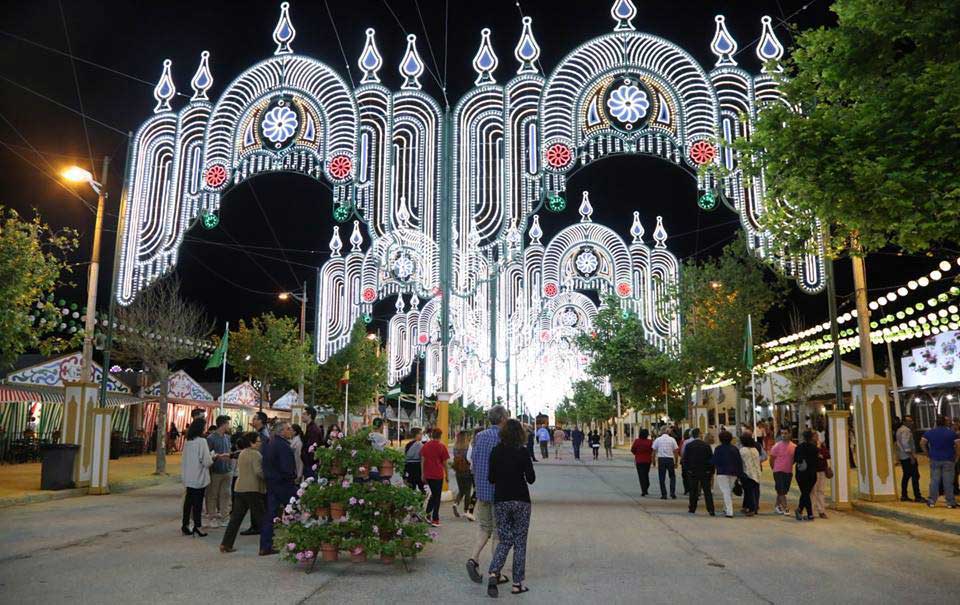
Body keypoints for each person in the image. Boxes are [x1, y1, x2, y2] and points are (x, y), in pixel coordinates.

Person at [486, 419, 536, 597]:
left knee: (505, 539)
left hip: (501, 500)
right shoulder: (522, 452)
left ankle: (493, 573)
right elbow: (531, 478)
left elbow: (491, 478)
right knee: (520, 542)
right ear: (520, 434)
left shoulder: (495, 451)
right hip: (521, 500)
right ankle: (517, 584)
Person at [465, 405, 510, 588]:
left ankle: (473, 559)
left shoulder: (479, 437)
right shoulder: (504, 438)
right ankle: (495, 572)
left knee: (484, 528)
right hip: (500, 492)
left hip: (482, 491)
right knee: (498, 533)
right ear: (502, 419)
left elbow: (473, 462)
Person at [220, 432, 266, 552]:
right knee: (262, 518)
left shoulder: (242, 453)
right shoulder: (256, 454)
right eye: (258, 441)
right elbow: (258, 472)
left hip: (239, 488)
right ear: (251, 442)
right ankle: (266, 546)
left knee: (235, 519)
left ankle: (226, 544)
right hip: (252, 489)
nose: (260, 443)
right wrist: (268, 478)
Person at [260, 421, 297, 555]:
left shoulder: (270, 444)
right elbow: (287, 467)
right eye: (288, 429)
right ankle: (296, 542)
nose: (290, 431)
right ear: (281, 431)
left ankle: (265, 545)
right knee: (293, 511)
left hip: (272, 482)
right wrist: (292, 476)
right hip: (283, 483)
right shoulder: (283, 446)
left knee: (270, 513)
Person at [180, 417, 214, 537]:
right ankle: (197, 526)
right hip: (199, 477)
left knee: (188, 502)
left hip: (189, 476)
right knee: (198, 503)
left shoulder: (188, 442)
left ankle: (185, 524)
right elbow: (206, 461)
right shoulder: (201, 442)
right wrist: (212, 457)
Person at [921, 416, 960, 508]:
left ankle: (931, 501)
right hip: (949, 459)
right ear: (945, 423)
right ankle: (950, 502)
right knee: (948, 482)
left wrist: (927, 453)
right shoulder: (951, 433)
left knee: (934, 481)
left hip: (935, 459)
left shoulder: (929, 432)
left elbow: (922, 443)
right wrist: (957, 456)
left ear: (936, 423)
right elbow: (958, 445)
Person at [205, 415, 233, 528]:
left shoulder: (227, 437)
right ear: (223, 424)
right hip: (215, 471)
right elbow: (207, 455)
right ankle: (212, 517)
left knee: (226, 495)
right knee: (213, 495)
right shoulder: (211, 438)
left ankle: (225, 516)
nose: (229, 426)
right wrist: (217, 456)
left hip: (227, 470)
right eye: (227, 424)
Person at [681, 428, 715, 516]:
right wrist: (711, 471)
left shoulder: (689, 445)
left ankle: (692, 508)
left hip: (693, 471)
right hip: (705, 471)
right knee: (707, 491)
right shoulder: (706, 445)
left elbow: (685, 459)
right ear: (700, 435)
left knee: (693, 491)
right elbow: (711, 459)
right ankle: (711, 509)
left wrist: (688, 469)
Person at [421, 428, 449, 526]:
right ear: (440, 436)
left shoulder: (426, 446)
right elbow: (445, 463)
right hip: (438, 474)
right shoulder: (442, 447)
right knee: (437, 497)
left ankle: (427, 513)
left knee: (434, 494)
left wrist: (422, 474)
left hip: (428, 474)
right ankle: (435, 518)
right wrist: (447, 475)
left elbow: (423, 461)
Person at [712, 430, 742, 518]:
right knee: (729, 491)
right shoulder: (734, 449)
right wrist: (739, 474)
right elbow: (739, 462)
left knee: (726, 491)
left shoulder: (718, 449)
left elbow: (715, 461)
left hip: (722, 472)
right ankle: (726, 508)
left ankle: (729, 511)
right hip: (733, 473)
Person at [792, 429, 819, 521]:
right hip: (812, 475)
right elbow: (817, 462)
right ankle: (802, 511)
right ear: (811, 437)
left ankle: (807, 513)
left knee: (805, 493)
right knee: (806, 493)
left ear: (803, 437)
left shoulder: (799, 447)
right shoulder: (815, 449)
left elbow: (795, 459)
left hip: (801, 474)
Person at [896, 415, 923, 502]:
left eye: (911, 421)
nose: (912, 423)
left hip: (903, 456)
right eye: (909, 421)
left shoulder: (899, 430)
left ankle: (904, 495)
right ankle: (917, 496)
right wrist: (911, 456)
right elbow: (905, 444)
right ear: (904, 422)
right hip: (908, 457)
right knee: (915, 476)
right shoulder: (906, 431)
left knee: (906, 476)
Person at [769, 428, 796, 515]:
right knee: (781, 490)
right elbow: (771, 458)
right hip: (778, 471)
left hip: (788, 471)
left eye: (785, 433)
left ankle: (777, 506)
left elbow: (794, 459)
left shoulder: (794, 447)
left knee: (782, 490)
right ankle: (785, 508)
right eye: (782, 433)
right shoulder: (777, 446)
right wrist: (774, 468)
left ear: (790, 434)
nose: (783, 435)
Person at [452, 430, 476, 521]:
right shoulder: (468, 446)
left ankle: (455, 503)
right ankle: (466, 510)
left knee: (461, 490)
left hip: (458, 471)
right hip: (467, 471)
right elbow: (469, 459)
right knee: (467, 491)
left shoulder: (455, 447)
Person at [652, 427, 679, 499]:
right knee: (672, 476)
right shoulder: (672, 440)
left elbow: (654, 451)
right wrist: (676, 462)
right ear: (667, 431)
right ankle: (672, 492)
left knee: (662, 477)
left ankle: (664, 494)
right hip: (670, 459)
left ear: (661, 431)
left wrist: (653, 461)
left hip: (661, 460)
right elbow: (676, 451)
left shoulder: (658, 440)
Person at [739, 434, 761, 516]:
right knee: (755, 491)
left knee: (749, 492)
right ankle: (749, 506)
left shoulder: (742, 450)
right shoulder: (755, 450)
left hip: (747, 473)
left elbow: (741, 462)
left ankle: (751, 508)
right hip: (756, 473)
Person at [812, 432, 830, 519]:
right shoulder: (810, 446)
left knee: (821, 491)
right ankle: (810, 510)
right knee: (813, 491)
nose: (816, 438)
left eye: (817, 436)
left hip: (822, 471)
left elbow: (827, 455)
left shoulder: (822, 446)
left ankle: (821, 510)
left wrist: (820, 452)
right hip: (813, 471)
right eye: (814, 436)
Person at [630, 429, 654, 496]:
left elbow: (632, 449)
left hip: (639, 460)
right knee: (646, 474)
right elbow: (652, 450)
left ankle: (643, 489)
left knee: (641, 475)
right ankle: (646, 485)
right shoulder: (650, 442)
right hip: (647, 460)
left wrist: (637, 454)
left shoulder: (637, 441)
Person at [302, 407, 322, 479]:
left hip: (311, 464)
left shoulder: (314, 429)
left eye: (304, 414)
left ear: (309, 415)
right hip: (308, 463)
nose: (302, 416)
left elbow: (312, 447)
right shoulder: (310, 428)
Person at [404, 428, 426, 494]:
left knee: (411, 488)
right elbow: (423, 458)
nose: (422, 435)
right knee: (421, 487)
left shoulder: (408, 444)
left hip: (409, 467)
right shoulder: (420, 445)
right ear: (416, 435)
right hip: (417, 467)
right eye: (420, 434)